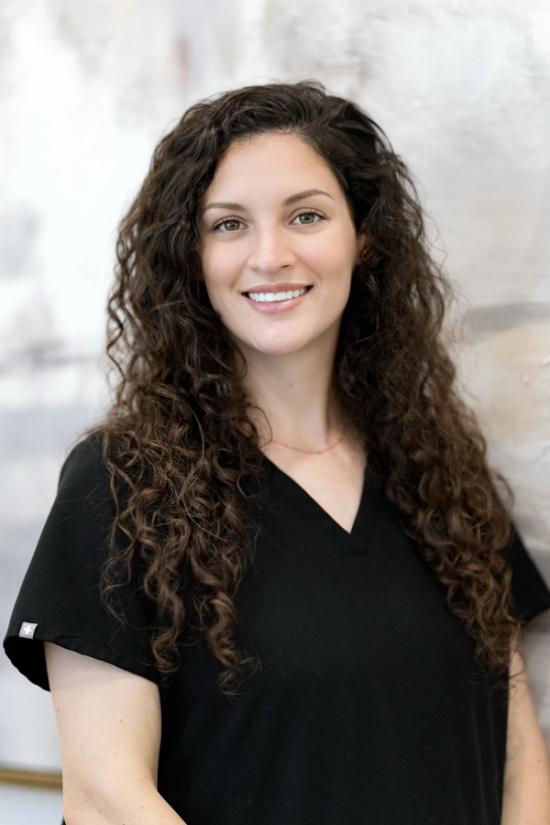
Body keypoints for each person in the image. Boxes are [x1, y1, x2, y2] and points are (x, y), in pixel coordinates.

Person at [4, 79, 550, 825]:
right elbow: (106, 799)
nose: (269, 254)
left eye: (306, 215)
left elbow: (520, 755)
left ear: (364, 236)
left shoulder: (442, 477)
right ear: (189, 256)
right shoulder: (120, 486)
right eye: (228, 225)